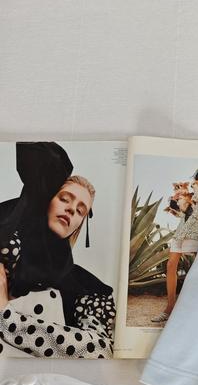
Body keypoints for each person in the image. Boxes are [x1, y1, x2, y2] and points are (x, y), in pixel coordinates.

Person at [0, 142, 115, 358]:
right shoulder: (7, 244)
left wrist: (6, 318)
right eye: (64, 199)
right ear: (46, 201)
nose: (71, 209)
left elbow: (101, 349)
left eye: (80, 211)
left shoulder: (90, 287)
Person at [151, 164, 198, 324]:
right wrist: (175, 202)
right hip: (181, 231)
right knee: (171, 265)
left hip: (195, 232)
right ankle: (170, 308)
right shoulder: (193, 193)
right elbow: (182, 213)